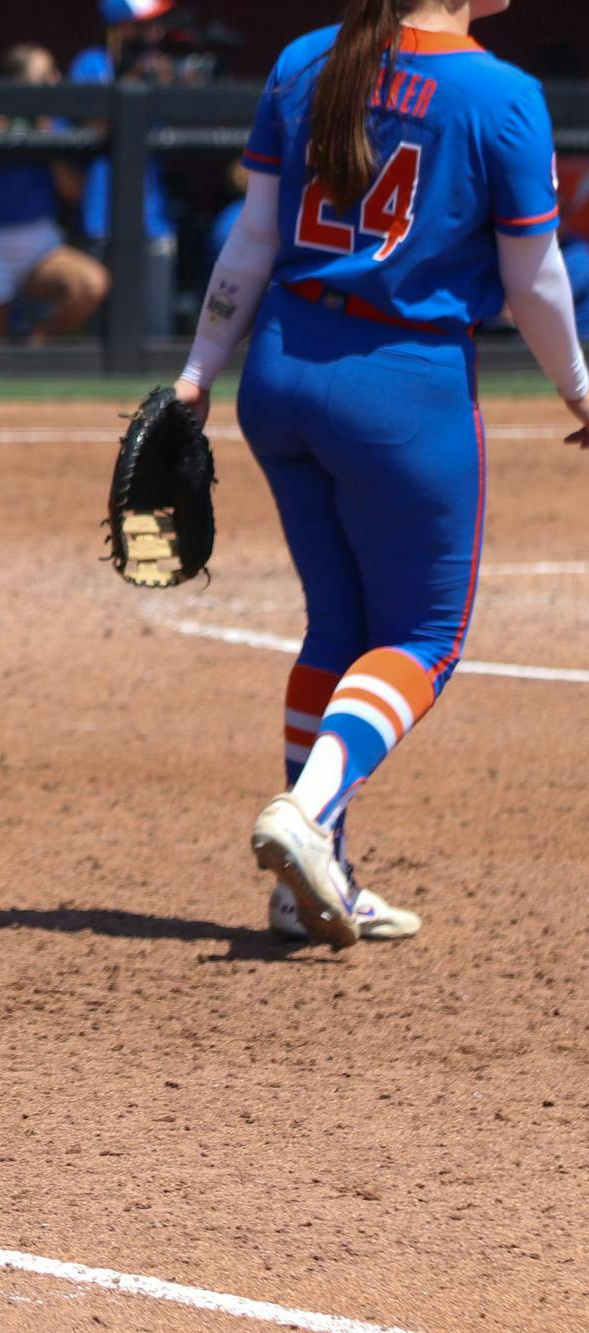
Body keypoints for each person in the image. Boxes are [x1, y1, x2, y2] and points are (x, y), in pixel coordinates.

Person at [172, 0, 589, 948]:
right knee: (425, 639)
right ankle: (306, 813)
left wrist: (199, 370)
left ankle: (308, 887)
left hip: (279, 367)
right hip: (402, 387)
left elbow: (253, 238)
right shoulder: (502, 92)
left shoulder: (307, 59)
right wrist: (579, 389)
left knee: (341, 626)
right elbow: (534, 281)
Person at [0, 44, 109, 341]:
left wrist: (47, 139)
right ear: (18, 83)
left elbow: (74, 192)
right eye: (44, 74)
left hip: (38, 241)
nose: (55, 79)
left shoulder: (53, 123)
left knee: (92, 284)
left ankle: (36, 343)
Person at [71, 0, 181, 338]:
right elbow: (91, 127)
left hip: (153, 218)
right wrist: (132, 80)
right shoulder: (92, 63)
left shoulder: (160, 65)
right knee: (102, 335)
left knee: (155, 334)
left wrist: (169, 83)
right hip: (102, 215)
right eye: (147, 23)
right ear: (121, 25)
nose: (155, 31)